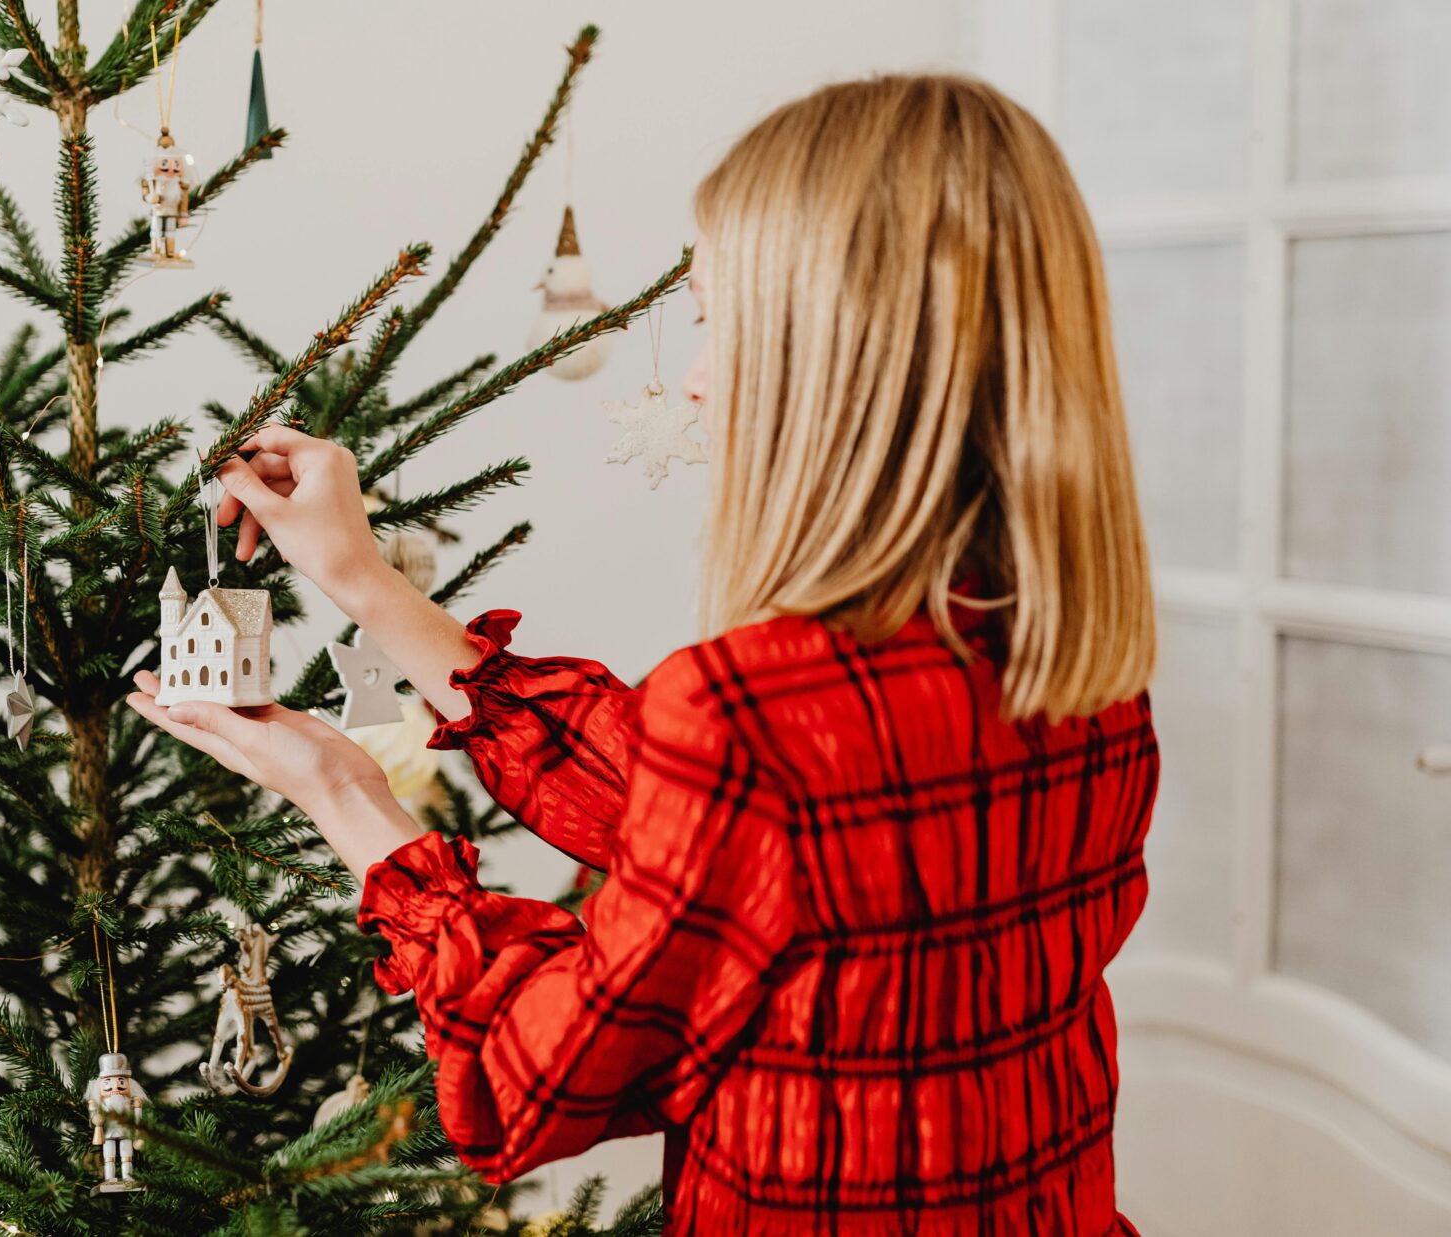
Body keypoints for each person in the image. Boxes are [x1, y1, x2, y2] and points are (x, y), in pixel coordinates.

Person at [126, 73, 1158, 1236]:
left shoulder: (752, 710)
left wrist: (346, 794)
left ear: (839, 356)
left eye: (716, 323)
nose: (698, 373)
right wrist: (360, 579)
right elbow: (703, 824)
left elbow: (532, 1084)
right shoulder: (1073, 657)